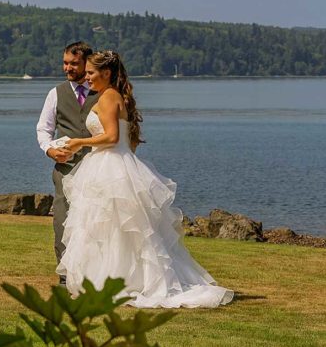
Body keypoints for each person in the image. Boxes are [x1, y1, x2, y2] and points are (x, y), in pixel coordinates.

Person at [58, 51, 234, 308]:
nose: (87, 77)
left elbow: (110, 137)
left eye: (91, 73)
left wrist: (78, 143)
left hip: (109, 166)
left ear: (106, 73)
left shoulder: (108, 97)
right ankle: (108, 279)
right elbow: (126, 141)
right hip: (112, 164)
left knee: (112, 227)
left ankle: (118, 281)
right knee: (110, 228)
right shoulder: (114, 96)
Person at [36, 42, 99, 284]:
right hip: (67, 167)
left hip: (98, 167)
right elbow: (44, 129)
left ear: (86, 63)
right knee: (62, 217)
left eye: (73, 63)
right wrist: (50, 150)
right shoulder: (56, 93)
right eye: (65, 63)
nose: (67, 68)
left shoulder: (103, 92)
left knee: (97, 218)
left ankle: (96, 271)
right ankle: (65, 272)